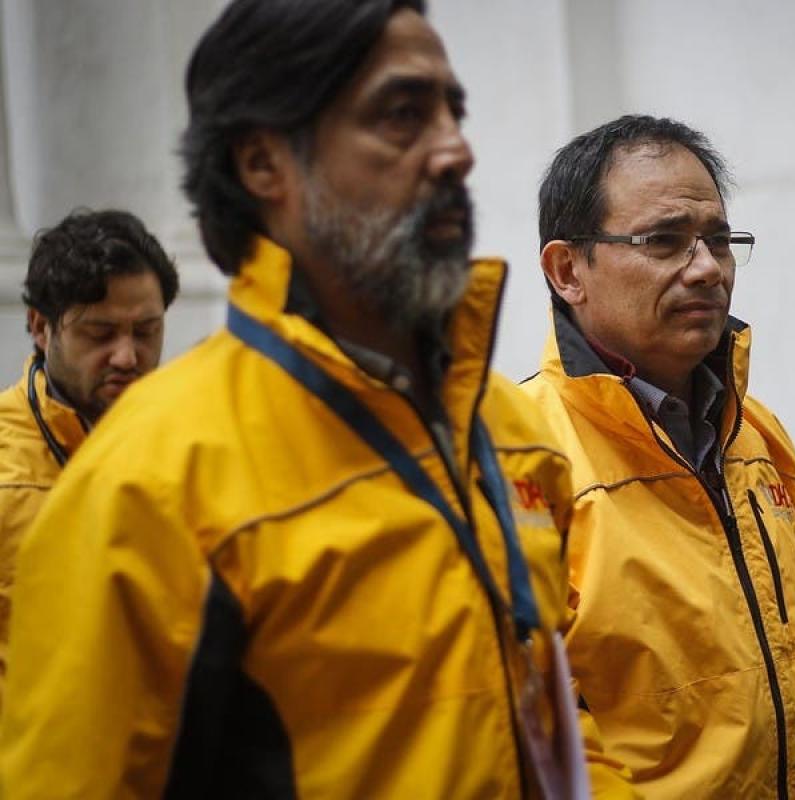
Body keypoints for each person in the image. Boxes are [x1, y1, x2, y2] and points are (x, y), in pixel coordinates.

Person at [0, 1, 633, 797]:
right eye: (402, 115)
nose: (456, 150)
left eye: (453, 110)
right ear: (263, 163)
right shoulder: (146, 486)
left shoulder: (507, 429)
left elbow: (549, 731)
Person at [523, 114, 795, 798]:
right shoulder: (523, 455)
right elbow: (529, 727)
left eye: (718, 240)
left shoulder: (760, 438)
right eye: (664, 241)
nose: (708, 269)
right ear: (568, 270)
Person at [0, 208, 177, 712]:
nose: (127, 356)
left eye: (146, 331)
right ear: (40, 327)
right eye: (101, 334)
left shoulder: (191, 445)